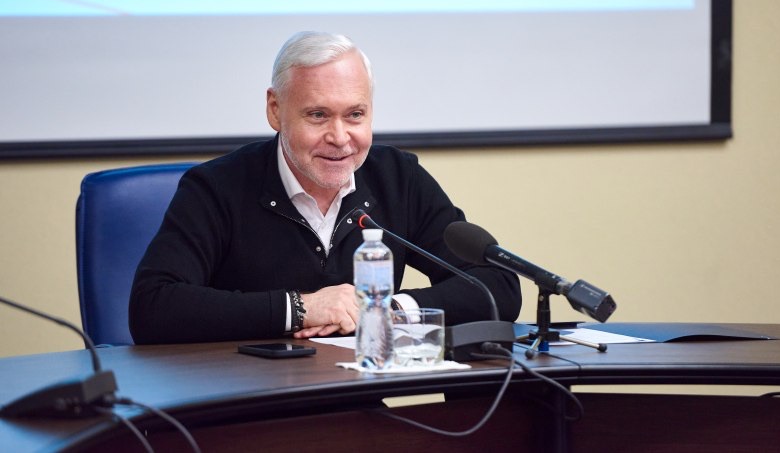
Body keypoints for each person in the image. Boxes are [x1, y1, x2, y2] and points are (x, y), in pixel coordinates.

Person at [129, 31, 521, 344]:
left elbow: (497, 285)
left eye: (355, 115)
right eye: (318, 115)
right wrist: (300, 309)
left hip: (357, 402)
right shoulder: (216, 187)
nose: (340, 137)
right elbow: (153, 307)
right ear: (275, 110)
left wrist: (385, 309)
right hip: (249, 403)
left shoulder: (397, 177)